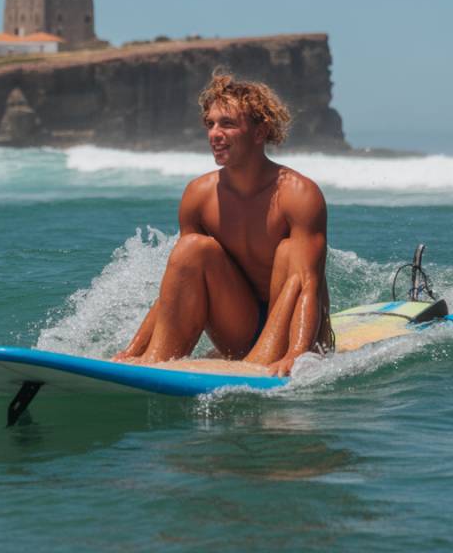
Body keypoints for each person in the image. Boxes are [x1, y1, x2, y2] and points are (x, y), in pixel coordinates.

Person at [113, 72, 334, 376]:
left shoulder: (298, 194)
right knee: (192, 249)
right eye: (210, 124)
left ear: (259, 132)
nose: (214, 134)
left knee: (288, 252)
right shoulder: (199, 196)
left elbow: (307, 284)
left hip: (296, 327)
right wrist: (132, 350)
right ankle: (153, 363)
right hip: (239, 328)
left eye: (227, 124)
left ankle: (273, 360)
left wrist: (298, 354)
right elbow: (176, 287)